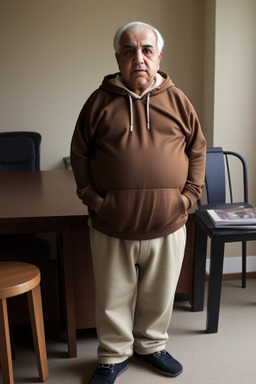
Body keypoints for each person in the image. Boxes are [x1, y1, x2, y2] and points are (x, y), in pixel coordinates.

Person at [71, 21, 206, 384]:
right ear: (118, 58)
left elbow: (197, 148)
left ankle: (152, 346)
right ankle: (113, 356)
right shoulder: (98, 102)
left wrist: (189, 196)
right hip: (111, 223)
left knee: (159, 295)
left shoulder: (178, 100)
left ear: (159, 56)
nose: (139, 58)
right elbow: (80, 153)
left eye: (146, 50)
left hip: (169, 222)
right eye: (129, 51)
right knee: (112, 297)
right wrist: (92, 198)